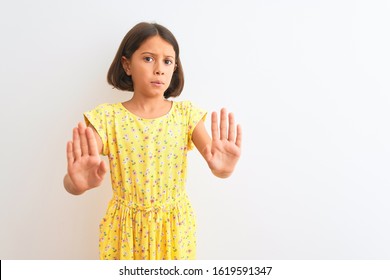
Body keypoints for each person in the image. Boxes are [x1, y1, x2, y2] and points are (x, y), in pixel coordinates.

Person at [63, 22, 242, 260]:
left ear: (175, 67)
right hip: (124, 233)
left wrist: (224, 170)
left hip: (174, 230)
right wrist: (77, 184)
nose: (159, 69)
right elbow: (73, 181)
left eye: (167, 61)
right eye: (148, 59)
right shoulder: (107, 118)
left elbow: (217, 164)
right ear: (127, 64)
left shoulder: (186, 115)